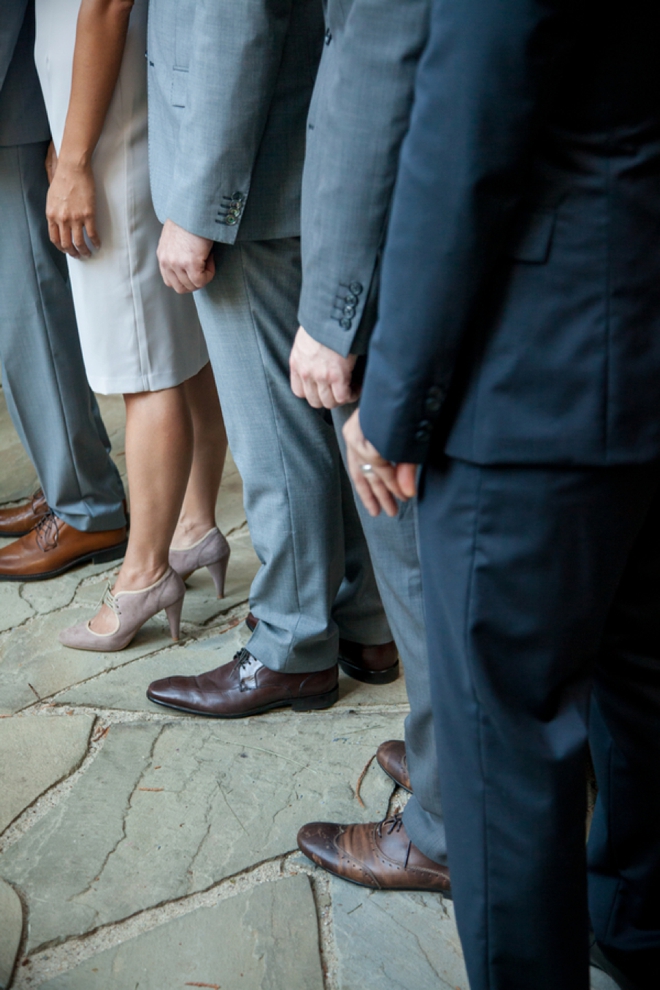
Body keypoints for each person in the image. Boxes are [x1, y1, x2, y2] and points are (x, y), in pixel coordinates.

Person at [316, 1, 660, 988]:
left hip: (540, 369)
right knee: (641, 684)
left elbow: (464, 130)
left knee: (500, 739)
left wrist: (397, 402)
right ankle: (637, 931)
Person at [144, 0, 396, 719]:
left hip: (248, 176)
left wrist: (199, 207)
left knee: (276, 434)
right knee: (325, 417)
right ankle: (367, 626)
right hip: (293, 150)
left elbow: (236, 19)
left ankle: (292, 645)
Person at [292, 0, 450, 891]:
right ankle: (455, 760)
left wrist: (333, 311)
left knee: (418, 558)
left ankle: (444, 824)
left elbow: (380, 55)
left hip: (404, 253)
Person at [31, 0, 229, 651]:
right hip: (111, 116)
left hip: (111, 133)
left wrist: (77, 159)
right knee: (176, 348)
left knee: (142, 369)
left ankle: (144, 574)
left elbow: (107, 6)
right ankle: (194, 526)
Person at [0, 0, 128, 581]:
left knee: (28, 316)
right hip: (18, 92)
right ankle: (70, 484)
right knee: (25, 313)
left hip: (14, 98)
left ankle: (87, 505)